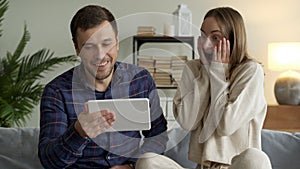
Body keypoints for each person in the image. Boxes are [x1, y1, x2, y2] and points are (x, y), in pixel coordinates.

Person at [135, 7, 272, 169]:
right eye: (203, 36)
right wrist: (207, 73)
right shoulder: (193, 68)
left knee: (255, 158)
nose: (206, 44)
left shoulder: (251, 71)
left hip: (238, 166)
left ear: (233, 40)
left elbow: (225, 125)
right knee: (147, 161)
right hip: (202, 167)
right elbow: (187, 122)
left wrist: (217, 73)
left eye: (215, 37)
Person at [38, 5, 168, 169]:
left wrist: (131, 166)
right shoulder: (57, 92)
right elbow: (50, 162)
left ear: (117, 42)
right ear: (77, 48)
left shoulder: (140, 80)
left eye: (106, 43)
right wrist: (78, 133)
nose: (100, 55)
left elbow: (158, 136)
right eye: (89, 46)